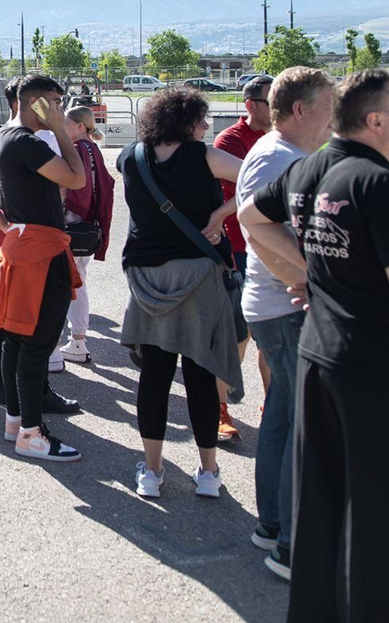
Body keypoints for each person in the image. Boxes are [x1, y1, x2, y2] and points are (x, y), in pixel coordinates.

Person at [238, 70, 389, 623]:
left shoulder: (311, 168)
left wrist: (313, 273)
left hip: (322, 357)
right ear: (376, 120)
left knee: (322, 508)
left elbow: (250, 218)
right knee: (383, 513)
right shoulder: (382, 186)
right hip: (378, 367)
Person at [116, 86, 246, 499]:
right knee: (201, 375)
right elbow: (264, 180)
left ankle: (152, 472)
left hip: (148, 277)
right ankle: (208, 472)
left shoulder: (129, 157)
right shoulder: (202, 155)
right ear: (185, 121)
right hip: (198, 274)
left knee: (153, 377)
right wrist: (221, 214)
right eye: (202, 120)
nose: (207, 127)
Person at [232, 67, 334, 579]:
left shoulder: (282, 153)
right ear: (300, 109)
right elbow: (261, 231)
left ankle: (273, 525)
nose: (335, 115)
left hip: (277, 305)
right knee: (302, 425)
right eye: (328, 104)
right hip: (287, 307)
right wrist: (314, 281)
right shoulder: (281, 157)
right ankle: (292, 545)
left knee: (283, 417)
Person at [0, 75, 86, 463]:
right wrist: (60, 131)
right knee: (35, 344)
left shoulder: (3, 136)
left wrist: (4, 225)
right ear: (35, 102)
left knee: (15, 341)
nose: (61, 107)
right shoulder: (26, 140)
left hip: (22, 247)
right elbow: (76, 178)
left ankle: (16, 422)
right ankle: (32, 433)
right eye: (56, 101)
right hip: (39, 253)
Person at [212, 74, 272, 443]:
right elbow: (253, 190)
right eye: (271, 100)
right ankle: (218, 409)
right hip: (240, 249)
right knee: (237, 334)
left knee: (274, 336)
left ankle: (275, 407)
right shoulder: (230, 141)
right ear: (250, 105)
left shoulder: (285, 137)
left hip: (277, 248)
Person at [59, 105, 115, 364]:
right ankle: (77, 338)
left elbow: (70, 186)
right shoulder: (93, 149)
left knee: (72, 282)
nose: (63, 127)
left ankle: (78, 340)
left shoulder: (78, 150)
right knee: (78, 280)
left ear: (80, 126)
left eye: (66, 123)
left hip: (73, 222)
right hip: (89, 224)